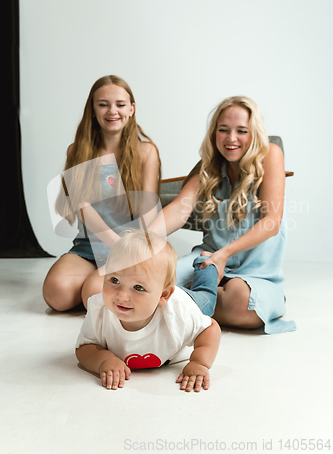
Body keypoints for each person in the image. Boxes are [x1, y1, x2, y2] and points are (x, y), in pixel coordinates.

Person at [150, 96, 296, 334]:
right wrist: (141, 241)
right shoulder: (208, 164)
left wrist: (223, 255)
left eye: (242, 131)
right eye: (223, 130)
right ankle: (192, 297)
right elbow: (178, 209)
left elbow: (272, 222)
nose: (231, 139)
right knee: (151, 280)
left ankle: (180, 301)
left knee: (241, 301)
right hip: (205, 263)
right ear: (214, 134)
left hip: (256, 275)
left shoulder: (271, 154)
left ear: (255, 133)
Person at [43, 75, 161, 312]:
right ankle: (99, 284)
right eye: (103, 104)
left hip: (130, 247)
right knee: (56, 293)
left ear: (131, 109)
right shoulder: (76, 150)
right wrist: (112, 244)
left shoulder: (146, 152)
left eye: (120, 104)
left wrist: (140, 253)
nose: (112, 111)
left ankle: (102, 286)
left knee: (94, 292)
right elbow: (83, 208)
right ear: (93, 110)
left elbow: (148, 211)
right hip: (90, 245)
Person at [75, 229, 221, 392]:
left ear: (164, 295)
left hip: (191, 301)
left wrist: (199, 363)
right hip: (158, 294)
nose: (122, 296)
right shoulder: (99, 309)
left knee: (206, 294)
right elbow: (85, 346)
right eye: (114, 280)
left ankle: (207, 263)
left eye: (138, 287)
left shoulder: (180, 312)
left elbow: (210, 329)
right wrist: (103, 360)